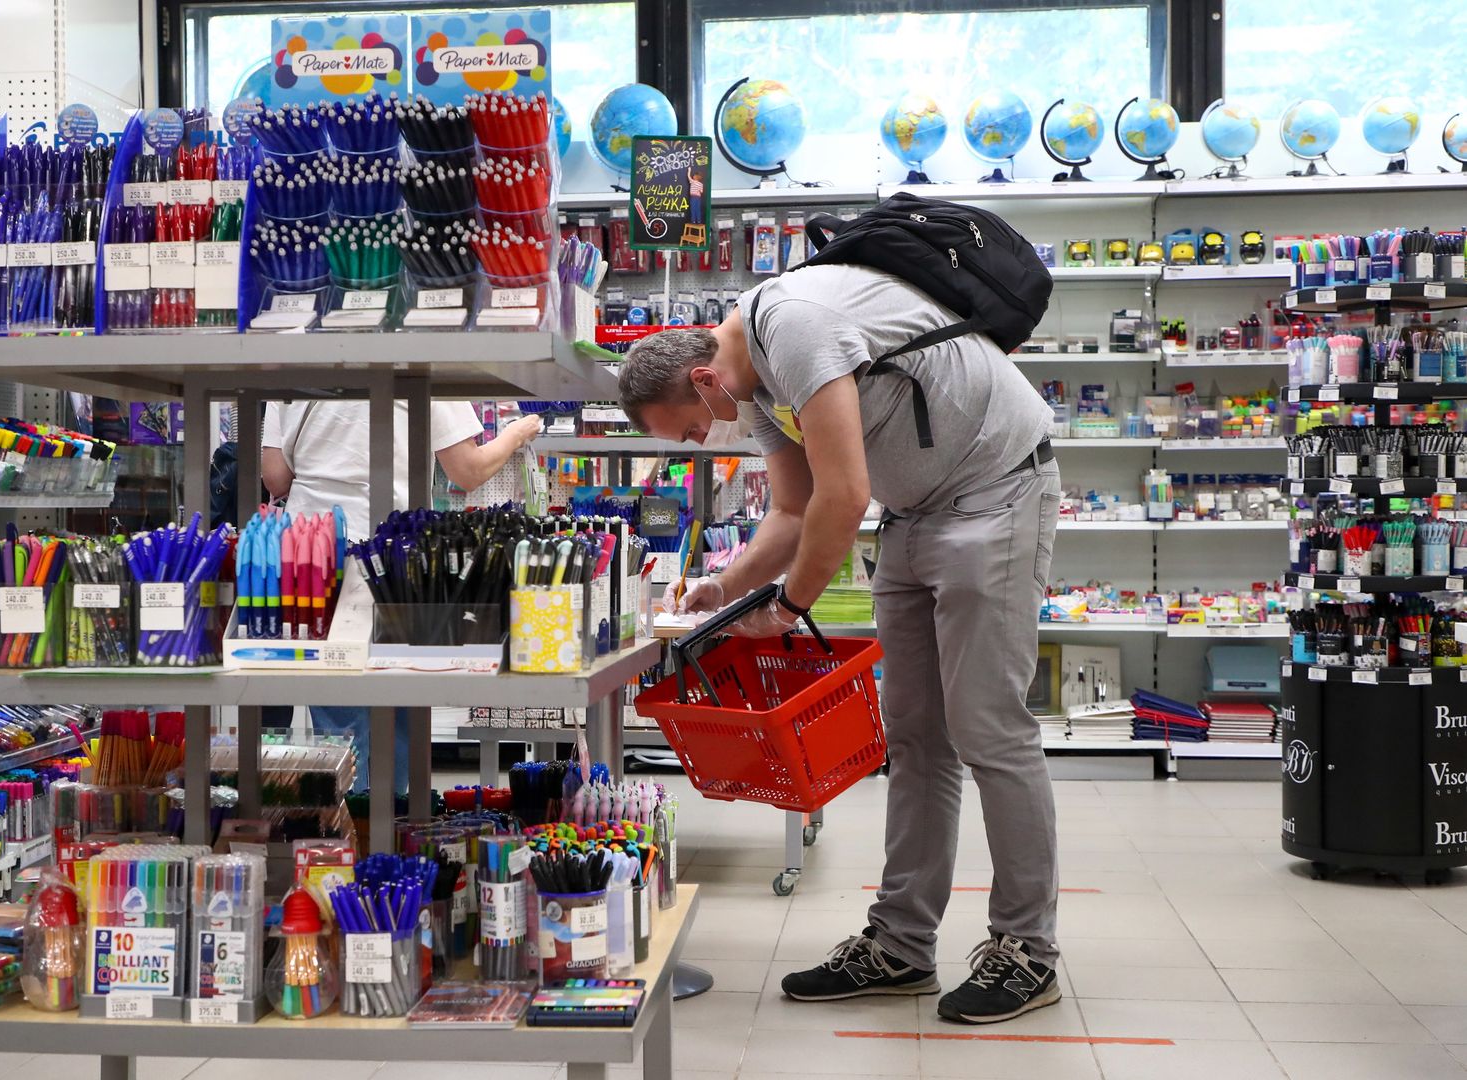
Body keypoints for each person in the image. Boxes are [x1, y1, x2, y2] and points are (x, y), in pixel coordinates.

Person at [616, 264, 1061, 1024]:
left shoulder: (793, 326)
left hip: (995, 492)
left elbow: (843, 495)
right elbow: (792, 511)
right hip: (917, 515)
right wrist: (725, 588)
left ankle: (1028, 951)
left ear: (702, 379)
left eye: (692, 427)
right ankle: (902, 943)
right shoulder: (752, 386)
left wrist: (789, 608)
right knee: (916, 738)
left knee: (987, 727)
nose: (701, 440)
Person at [262, 398, 541, 792]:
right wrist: (515, 434)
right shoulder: (424, 358)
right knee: (398, 704)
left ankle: (344, 835)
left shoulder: (291, 367)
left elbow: (275, 476)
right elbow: (467, 470)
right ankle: (392, 829)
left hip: (309, 554)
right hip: (390, 557)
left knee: (339, 716)